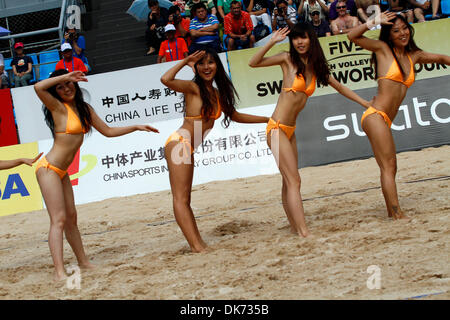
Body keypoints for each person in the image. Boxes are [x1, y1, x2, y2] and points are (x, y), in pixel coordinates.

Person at [34, 69, 159, 281]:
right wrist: (66, 77)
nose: (66, 89)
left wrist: (136, 127)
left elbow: (108, 131)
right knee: (59, 219)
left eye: (69, 84)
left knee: (71, 218)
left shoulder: (84, 109)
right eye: (61, 87)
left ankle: (83, 262)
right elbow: (38, 87)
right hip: (48, 169)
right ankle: (59, 272)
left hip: (62, 171)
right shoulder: (57, 107)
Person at [248, 24, 370, 236]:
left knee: (289, 181)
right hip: (276, 129)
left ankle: (296, 228)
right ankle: (304, 232)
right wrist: (271, 42)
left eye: (304, 38)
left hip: (289, 130)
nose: (300, 42)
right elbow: (253, 63)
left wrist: (366, 104)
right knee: (294, 180)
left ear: (311, 40)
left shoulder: (315, 67)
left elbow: (340, 87)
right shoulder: (287, 59)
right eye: (296, 39)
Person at [160, 49, 269, 252]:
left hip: (188, 146)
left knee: (186, 199)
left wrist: (266, 119)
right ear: (196, 67)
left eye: (211, 62)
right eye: (202, 63)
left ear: (217, 66)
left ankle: (198, 243)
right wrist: (185, 61)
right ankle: (196, 246)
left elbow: (234, 115)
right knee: (181, 199)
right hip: (179, 143)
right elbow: (166, 79)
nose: (207, 67)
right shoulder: (193, 88)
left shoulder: (216, 93)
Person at [347, 12, 450, 219]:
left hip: (384, 119)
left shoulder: (414, 56)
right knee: (389, 166)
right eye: (396, 31)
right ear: (389, 34)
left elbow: (441, 58)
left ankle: (393, 211)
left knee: (390, 167)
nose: (402, 33)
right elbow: (353, 36)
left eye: (404, 28)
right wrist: (373, 22)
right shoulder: (384, 50)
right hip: (375, 116)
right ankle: (396, 214)